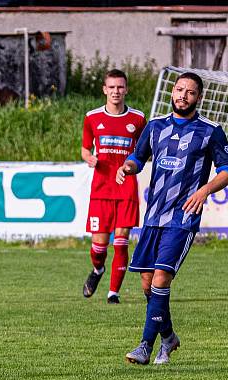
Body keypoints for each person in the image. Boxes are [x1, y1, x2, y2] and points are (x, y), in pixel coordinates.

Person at [116, 72, 228, 365]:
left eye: (190, 92)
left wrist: (205, 190)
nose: (183, 96)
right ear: (172, 92)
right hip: (154, 216)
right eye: (179, 90)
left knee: (160, 278)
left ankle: (146, 345)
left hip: (183, 218)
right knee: (147, 284)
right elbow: (137, 156)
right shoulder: (155, 127)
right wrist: (127, 167)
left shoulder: (210, 131)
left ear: (199, 98)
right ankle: (168, 337)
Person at [80, 69, 146, 304]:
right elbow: (85, 148)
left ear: (126, 89)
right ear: (104, 90)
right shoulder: (92, 117)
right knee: (99, 248)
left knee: (121, 242)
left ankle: (113, 293)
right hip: (101, 189)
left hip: (126, 187)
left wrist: (130, 167)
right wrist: (89, 158)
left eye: (120, 87)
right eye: (112, 87)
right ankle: (98, 271)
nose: (116, 91)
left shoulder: (138, 119)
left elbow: (143, 152)